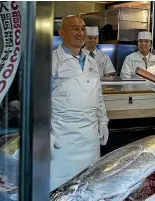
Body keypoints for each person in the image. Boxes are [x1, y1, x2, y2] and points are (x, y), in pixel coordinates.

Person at [51, 15, 109, 191]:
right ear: (61, 32)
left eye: (83, 28)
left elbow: (98, 94)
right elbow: (38, 99)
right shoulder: (51, 60)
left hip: (90, 136)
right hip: (61, 135)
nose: (80, 33)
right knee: (60, 186)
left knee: (87, 185)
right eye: (75, 28)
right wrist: (42, 132)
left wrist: (103, 121)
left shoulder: (91, 61)